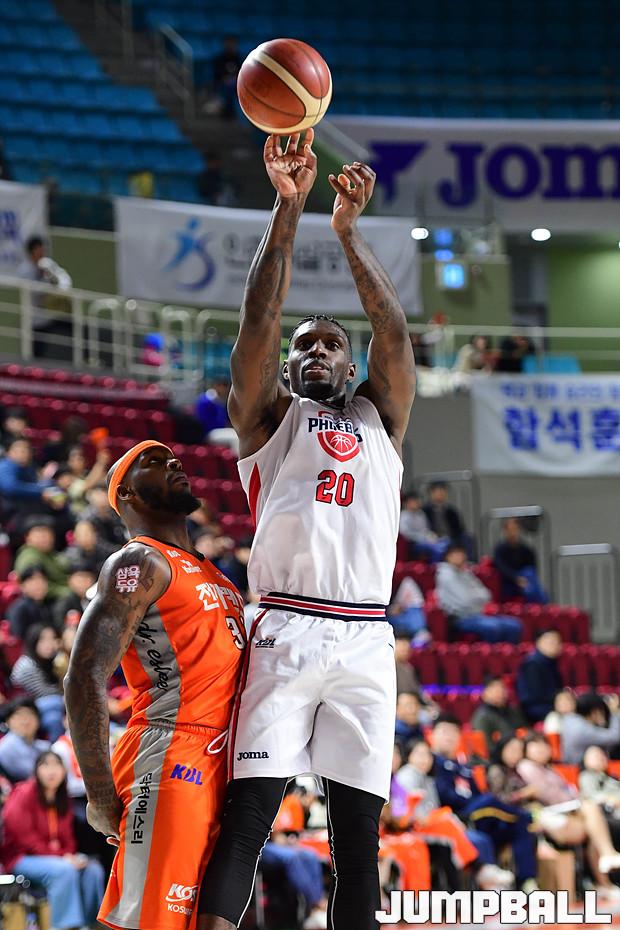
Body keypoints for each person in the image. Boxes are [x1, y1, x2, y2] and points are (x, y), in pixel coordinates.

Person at [197, 134, 416, 930]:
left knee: (360, 841)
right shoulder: (268, 420)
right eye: (304, 346)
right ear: (287, 370)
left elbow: (394, 334)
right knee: (248, 820)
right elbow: (259, 316)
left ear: (351, 368)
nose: (316, 349)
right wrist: (288, 208)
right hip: (285, 629)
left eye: (331, 344)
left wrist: (349, 233)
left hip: (364, 638)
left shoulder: (381, 418)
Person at [64, 440, 246, 930]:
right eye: (153, 461)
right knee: (152, 920)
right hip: (171, 753)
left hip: (223, 762)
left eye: (173, 458)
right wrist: (99, 793)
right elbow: (83, 676)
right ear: (125, 494)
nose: (173, 463)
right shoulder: (137, 563)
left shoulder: (214, 573)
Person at [431, 715, 538, 892]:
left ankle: (526, 882)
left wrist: (476, 800)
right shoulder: (432, 763)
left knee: (518, 827)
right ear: (433, 735)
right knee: (490, 801)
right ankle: (527, 816)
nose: (449, 737)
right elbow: (444, 795)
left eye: (454, 732)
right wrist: (473, 801)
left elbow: (477, 794)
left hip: (479, 815)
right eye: (445, 732)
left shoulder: (463, 767)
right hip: (455, 817)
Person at [2, 751, 105, 929]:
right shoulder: (23, 793)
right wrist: (61, 857)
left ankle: (91, 924)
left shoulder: (63, 798)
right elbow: (24, 838)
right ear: (36, 770)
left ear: (64, 771)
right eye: (45, 765)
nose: (51, 771)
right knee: (64, 870)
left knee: (92, 869)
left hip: (56, 858)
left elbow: (68, 839)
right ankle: (65, 927)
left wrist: (70, 855)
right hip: (21, 858)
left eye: (56, 765)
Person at [518, 734, 620, 890]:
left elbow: (568, 791)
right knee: (591, 813)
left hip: (567, 810)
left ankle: (604, 884)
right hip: (549, 814)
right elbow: (547, 794)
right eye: (535, 744)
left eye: (544, 744)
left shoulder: (549, 768)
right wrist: (573, 800)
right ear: (526, 749)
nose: (541, 749)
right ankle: (608, 856)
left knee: (595, 827)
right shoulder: (526, 767)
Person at [436, 545, 523, 643]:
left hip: (478, 615)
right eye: (456, 553)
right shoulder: (446, 575)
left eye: (461, 553)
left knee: (515, 625)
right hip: (460, 618)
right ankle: (489, 653)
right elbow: (465, 601)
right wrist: (476, 597)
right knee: (492, 627)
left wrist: (473, 596)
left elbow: (487, 595)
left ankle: (507, 653)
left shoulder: (465, 572)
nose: (460, 556)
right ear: (448, 557)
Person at [17, 235, 74, 361]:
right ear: (32, 251)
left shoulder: (47, 264)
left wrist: (60, 291)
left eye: (43, 249)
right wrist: (47, 283)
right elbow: (34, 291)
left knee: (70, 328)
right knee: (35, 351)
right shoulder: (24, 270)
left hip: (51, 315)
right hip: (34, 319)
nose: (42, 252)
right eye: (39, 249)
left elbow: (64, 278)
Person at [11, 624, 65, 740]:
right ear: (33, 641)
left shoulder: (51, 661)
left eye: (53, 638)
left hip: (43, 707)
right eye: (43, 639)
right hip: (24, 709)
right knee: (56, 708)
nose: (49, 644)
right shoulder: (27, 665)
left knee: (55, 714)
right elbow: (45, 693)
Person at [493, 517, 549, 604]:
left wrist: (524, 579)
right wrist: (516, 578)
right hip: (508, 583)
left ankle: (541, 605)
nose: (513, 532)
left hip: (526, 580)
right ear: (505, 531)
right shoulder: (500, 550)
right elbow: (501, 567)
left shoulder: (526, 549)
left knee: (530, 578)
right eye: (510, 529)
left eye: (515, 528)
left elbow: (532, 568)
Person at [14, 516, 70, 600]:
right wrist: (69, 591)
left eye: (48, 532)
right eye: (39, 533)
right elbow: (35, 587)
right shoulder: (29, 556)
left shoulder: (50, 554)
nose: (45, 537)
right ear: (27, 537)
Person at [0, 438, 61, 515]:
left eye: (27, 449)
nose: (25, 452)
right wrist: (41, 492)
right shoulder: (5, 466)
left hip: (29, 511)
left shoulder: (28, 467)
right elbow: (10, 487)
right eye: (20, 450)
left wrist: (55, 492)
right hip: (11, 513)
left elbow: (38, 484)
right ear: (9, 452)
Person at [516, 629, 563, 724]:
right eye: (551, 642)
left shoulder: (552, 663)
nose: (555, 645)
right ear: (538, 643)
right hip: (536, 708)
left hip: (550, 705)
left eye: (558, 642)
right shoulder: (533, 664)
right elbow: (536, 695)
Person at [470, 676, 526, 753]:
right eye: (494, 688)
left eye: (502, 687)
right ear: (484, 693)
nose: (500, 691)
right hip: (497, 756)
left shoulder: (514, 711)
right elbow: (484, 748)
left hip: (519, 751)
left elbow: (524, 731)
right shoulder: (481, 717)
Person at [561, 692, 620, 765]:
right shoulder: (583, 730)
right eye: (602, 711)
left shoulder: (569, 718)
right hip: (579, 767)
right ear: (595, 712)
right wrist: (614, 712)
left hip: (570, 764)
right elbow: (615, 737)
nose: (603, 715)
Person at [0, 698, 49, 782]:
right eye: (20, 715)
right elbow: (35, 775)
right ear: (8, 721)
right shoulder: (6, 747)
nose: (26, 720)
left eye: (30, 714)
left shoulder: (44, 746)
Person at [7, 565, 55, 640]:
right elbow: (18, 638)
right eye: (33, 580)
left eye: (42, 579)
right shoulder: (18, 609)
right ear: (22, 586)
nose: (39, 584)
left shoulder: (50, 604)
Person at [399, 491, 448, 562]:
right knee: (436, 549)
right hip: (413, 543)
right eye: (413, 501)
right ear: (406, 503)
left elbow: (426, 529)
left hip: (426, 540)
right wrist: (422, 538)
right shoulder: (403, 516)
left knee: (446, 542)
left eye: (416, 501)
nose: (416, 503)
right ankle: (435, 567)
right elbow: (405, 533)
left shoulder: (421, 514)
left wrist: (431, 536)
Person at [422, 481, 470, 552]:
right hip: (434, 537)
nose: (441, 494)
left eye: (443, 491)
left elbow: (459, 529)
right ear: (431, 494)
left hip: (451, 537)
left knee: (466, 538)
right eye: (438, 492)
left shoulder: (452, 511)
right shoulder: (425, 511)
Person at [53, 562, 97, 629]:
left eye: (87, 577)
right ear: (70, 580)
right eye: (79, 577)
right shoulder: (65, 601)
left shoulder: (96, 601)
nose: (83, 582)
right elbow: (58, 624)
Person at [212, 36, 242, 118]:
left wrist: (235, 78)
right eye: (229, 43)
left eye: (233, 44)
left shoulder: (238, 58)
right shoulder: (220, 58)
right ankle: (228, 113)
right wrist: (224, 79)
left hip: (236, 83)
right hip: (222, 83)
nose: (231, 46)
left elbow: (242, 72)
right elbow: (216, 74)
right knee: (228, 89)